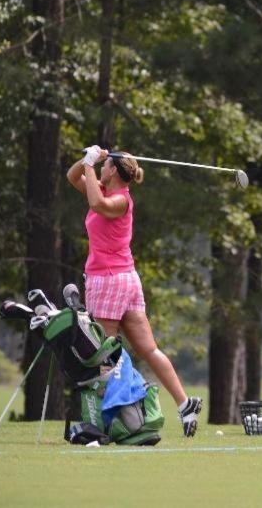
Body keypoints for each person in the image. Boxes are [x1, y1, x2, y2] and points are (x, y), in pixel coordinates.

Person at [67, 145, 202, 437]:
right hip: (125, 280)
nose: (101, 170)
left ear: (113, 171)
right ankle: (184, 404)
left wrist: (91, 165)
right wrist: (89, 160)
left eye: (105, 166)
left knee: (101, 356)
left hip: (109, 281)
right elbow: (72, 176)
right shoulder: (102, 188)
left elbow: (96, 206)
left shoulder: (119, 200)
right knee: (148, 348)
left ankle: (106, 424)